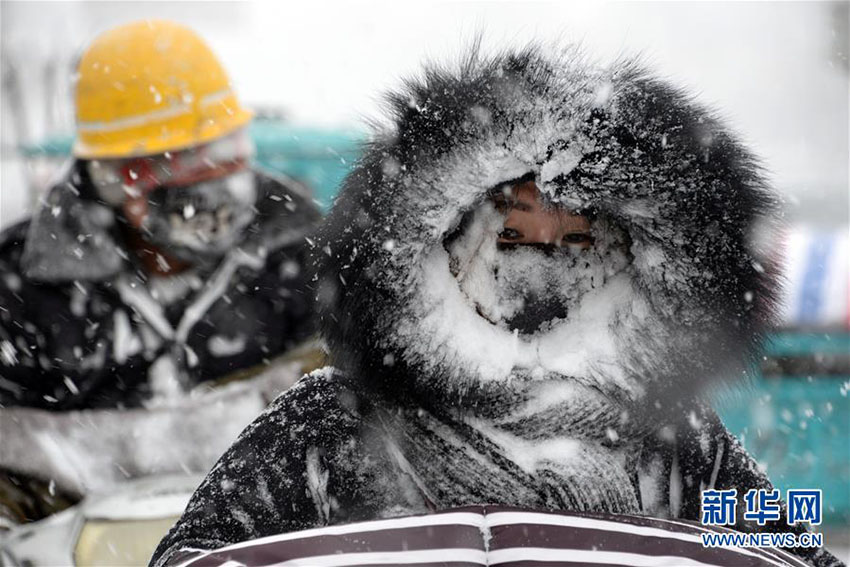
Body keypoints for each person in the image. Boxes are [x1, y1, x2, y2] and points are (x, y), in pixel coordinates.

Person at [151, 47, 840, 567]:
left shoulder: (678, 440)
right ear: (440, 247)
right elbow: (193, 554)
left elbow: (790, 553)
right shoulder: (333, 422)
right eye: (509, 238)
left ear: (627, 262)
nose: (539, 268)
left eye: (576, 241)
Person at [0, 20, 320, 522]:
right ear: (117, 182)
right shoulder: (20, 289)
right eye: (191, 193)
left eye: (230, 169)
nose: (224, 209)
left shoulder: (303, 258)